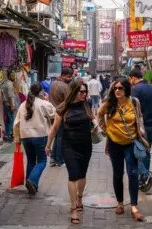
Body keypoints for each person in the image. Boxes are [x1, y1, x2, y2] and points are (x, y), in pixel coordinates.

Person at [97, 78, 149, 222]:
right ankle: (120, 203)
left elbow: (139, 117)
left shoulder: (134, 102)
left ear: (126, 89)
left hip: (130, 143)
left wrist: (141, 130)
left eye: (120, 88)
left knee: (132, 173)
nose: (117, 91)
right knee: (118, 174)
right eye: (115, 88)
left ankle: (133, 206)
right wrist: (105, 129)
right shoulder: (109, 103)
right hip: (114, 144)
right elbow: (99, 114)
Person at [46, 80, 97, 225]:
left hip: (86, 145)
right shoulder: (63, 108)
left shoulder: (87, 104)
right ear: (74, 91)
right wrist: (48, 146)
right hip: (69, 146)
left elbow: (92, 118)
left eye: (85, 92)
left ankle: (80, 197)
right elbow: (54, 129)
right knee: (73, 175)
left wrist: (96, 127)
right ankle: (73, 207)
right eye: (81, 92)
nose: (84, 94)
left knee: (82, 175)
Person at [13, 82, 55, 195]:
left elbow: (16, 123)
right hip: (40, 135)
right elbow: (54, 114)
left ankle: (32, 185)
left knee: (31, 160)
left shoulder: (23, 105)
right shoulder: (43, 103)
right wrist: (47, 100)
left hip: (25, 136)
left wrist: (17, 138)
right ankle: (32, 181)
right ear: (41, 92)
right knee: (41, 161)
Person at [128, 69, 152, 190]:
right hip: (151, 124)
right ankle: (143, 180)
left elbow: (132, 109)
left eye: (130, 79)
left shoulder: (135, 89)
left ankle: (145, 175)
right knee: (146, 151)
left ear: (133, 78)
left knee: (135, 153)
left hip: (139, 126)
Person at [49, 67, 73, 167]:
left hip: (53, 113)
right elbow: (68, 102)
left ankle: (53, 158)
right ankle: (59, 160)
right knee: (60, 138)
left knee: (57, 136)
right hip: (61, 114)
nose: (70, 78)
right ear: (63, 75)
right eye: (68, 76)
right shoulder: (65, 87)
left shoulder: (53, 84)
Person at [1, 71, 17, 142]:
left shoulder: (5, 83)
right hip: (9, 104)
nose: (14, 77)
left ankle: (7, 134)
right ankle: (8, 135)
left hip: (6, 103)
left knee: (8, 120)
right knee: (11, 120)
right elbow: (10, 96)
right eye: (13, 76)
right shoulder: (10, 84)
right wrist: (12, 105)